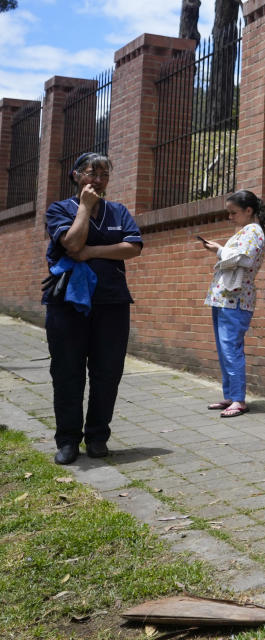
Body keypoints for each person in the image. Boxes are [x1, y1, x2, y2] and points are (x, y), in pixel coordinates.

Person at [42, 152, 143, 465]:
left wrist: (92, 252)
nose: (98, 180)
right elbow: (71, 244)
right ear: (76, 175)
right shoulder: (59, 209)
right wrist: (84, 208)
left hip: (112, 303)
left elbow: (133, 247)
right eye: (91, 173)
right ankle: (68, 440)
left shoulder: (118, 212)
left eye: (104, 175)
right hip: (67, 306)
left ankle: (98, 436)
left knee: (107, 373)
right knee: (67, 372)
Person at [200, 190, 265, 418]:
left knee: (231, 349)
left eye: (234, 212)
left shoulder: (254, 231)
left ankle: (238, 399)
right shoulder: (245, 231)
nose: (230, 217)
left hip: (236, 299)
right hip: (225, 298)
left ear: (249, 211)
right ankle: (230, 396)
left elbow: (243, 258)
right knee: (224, 349)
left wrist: (218, 250)